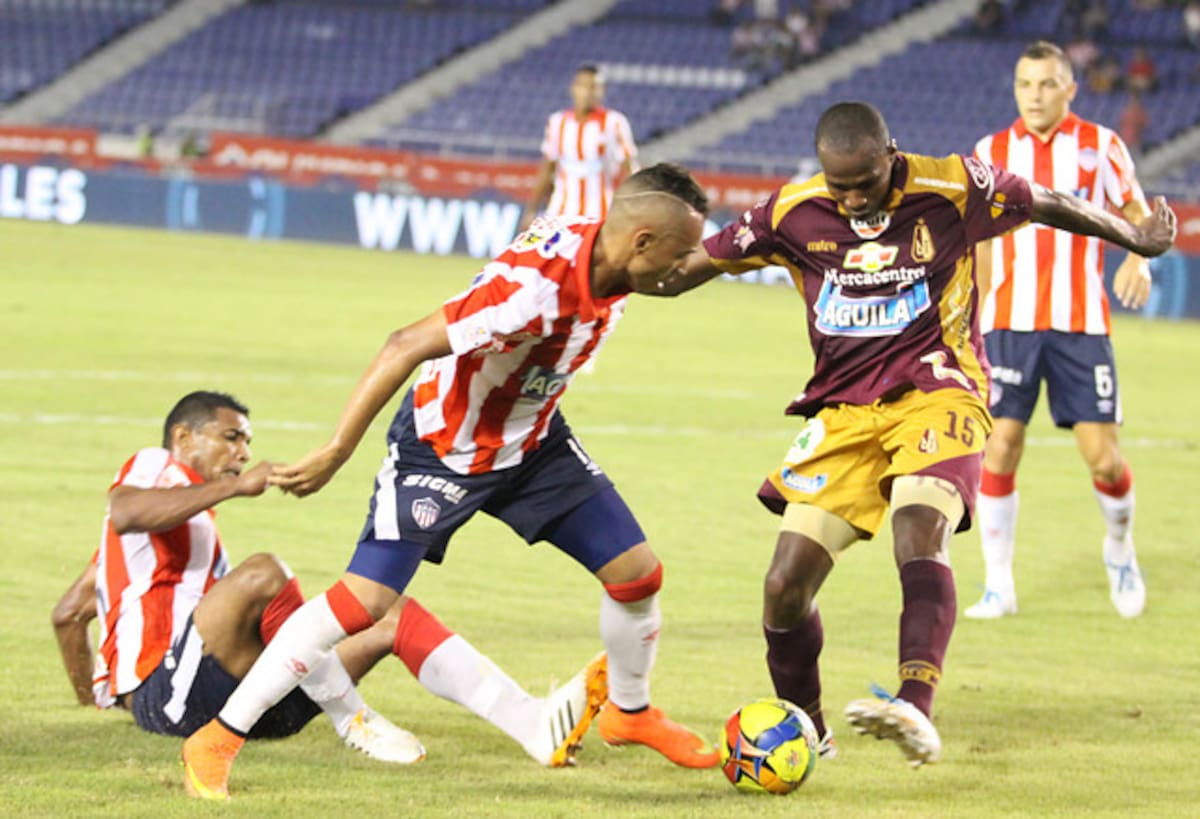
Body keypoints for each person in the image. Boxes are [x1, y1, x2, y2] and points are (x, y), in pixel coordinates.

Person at [650, 101, 1175, 766]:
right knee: (783, 586)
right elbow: (687, 268)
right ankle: (810, 733)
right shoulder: (792, 212)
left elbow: (1046, 200)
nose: (853, 200)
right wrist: (605, 270)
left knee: (917, 528)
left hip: (939, 393)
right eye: (840, 187)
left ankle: (914, 705)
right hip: (844, 415)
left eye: (865, 183)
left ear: (891, 155)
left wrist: (1133, 236)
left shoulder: (952, 187)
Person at [181, 164, 722, 800]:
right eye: (679, 255)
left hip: (532, 443)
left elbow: (674, 274)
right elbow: (403, 344)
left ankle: (630, 713)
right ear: (641, 242)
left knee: (637, 574)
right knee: (361, 604)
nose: (684, 268)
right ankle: (216, 739)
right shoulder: (532, 291)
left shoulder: (615, 258)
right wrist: (337, 449)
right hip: (444, 450)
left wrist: (765, 240)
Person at [52, 391, 608, 771]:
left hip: (250, 709)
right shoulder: (155, 466)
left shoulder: (166, 546)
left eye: (246, 443)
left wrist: (92, 700)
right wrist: (236, 487)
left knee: (387, 613)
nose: (243, 453)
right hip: (168, 698)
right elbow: (126, 511)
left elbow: (68, 614)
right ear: (183, 435)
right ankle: (351, 716)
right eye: (231, 437)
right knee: (264, 574)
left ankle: (532, 723)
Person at [967, 40, 1156, 620]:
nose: (1035, 95)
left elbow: (1138, 214)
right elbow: (980, 240)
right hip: (1008, 322)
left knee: (1103, 459)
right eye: (1025, 84)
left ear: (1070, 89)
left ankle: (1119, 550)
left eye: (1047, 84)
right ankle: (998, 584)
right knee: (999, 447)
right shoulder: (991, 152)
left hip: (1081, 325)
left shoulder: (1102, 145)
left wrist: (1139, 258)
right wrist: (972, 317)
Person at [520, 64, 637, 230]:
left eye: (593, 86)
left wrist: (628, 207)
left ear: (601, 91)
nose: (587, 92)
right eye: (582, 85)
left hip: (600, 212)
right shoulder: (557, 122)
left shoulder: (614, 122)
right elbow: (547, 169)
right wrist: (531, 209)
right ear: (573, 88)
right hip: (560, 211)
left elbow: (630, 169)